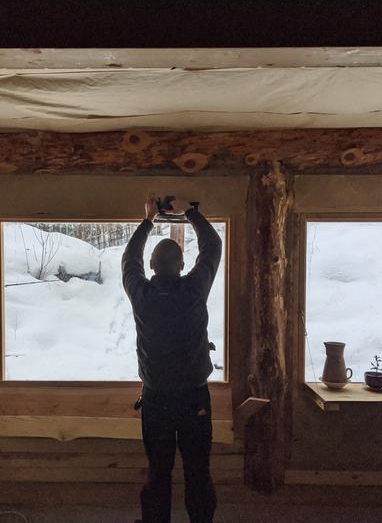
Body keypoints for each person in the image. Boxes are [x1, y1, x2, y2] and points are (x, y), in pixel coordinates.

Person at [122, 195, 222, 523]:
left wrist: (149, 219)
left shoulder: (141, 296)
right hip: (195, 397)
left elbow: (129, 259)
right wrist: (190, 212)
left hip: (156, 400)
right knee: (198, 470)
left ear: (152, 267)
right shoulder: (194, 289)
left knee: (158, 471)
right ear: (182, 266)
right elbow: (212, 246)